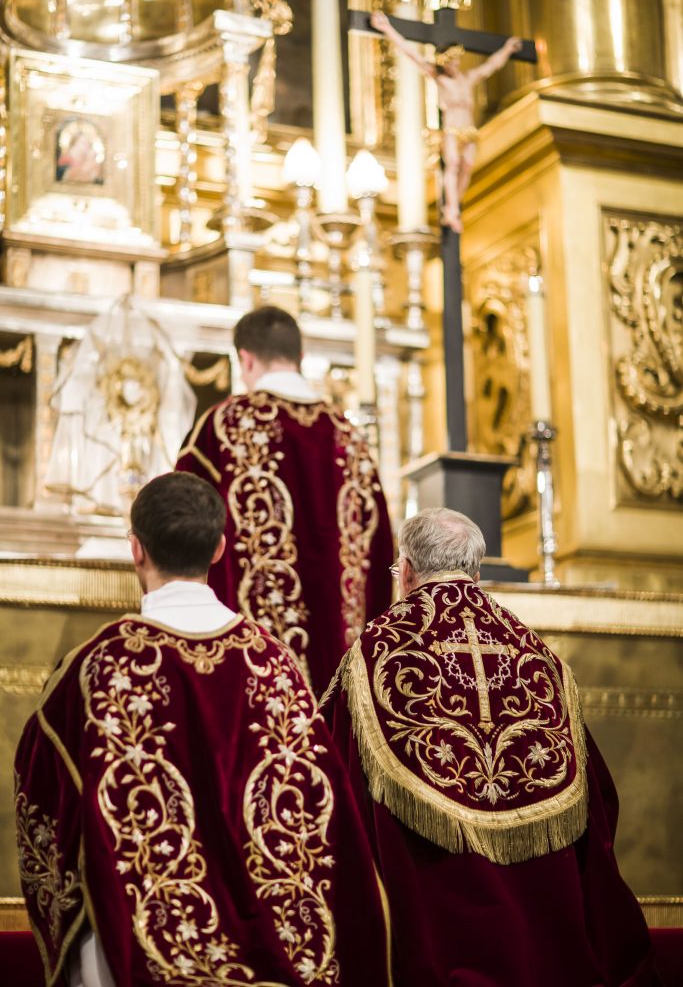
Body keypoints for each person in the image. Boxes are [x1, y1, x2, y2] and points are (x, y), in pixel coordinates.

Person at [14, 472, 392, 987]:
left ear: (135, 549)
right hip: (280, 960)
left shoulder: (95, 668)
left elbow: (42, 805)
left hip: (137, 956)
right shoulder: (276, 666)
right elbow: (327, 818)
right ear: (219, 548)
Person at [322, 507, 661, 987]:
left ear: (409, 572)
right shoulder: (540, 656)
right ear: (476, 573)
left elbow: (332, 791)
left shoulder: (376, 653)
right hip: (548, 957)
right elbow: (597, 805)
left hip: (434, 949)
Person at [176, 305, 393, 698]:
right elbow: (381, 555)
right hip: (346, 677)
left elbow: (179, 532)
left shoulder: (222, 426)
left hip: (254, 677)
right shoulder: (350, 438)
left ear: (244, 358)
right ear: (301, 358)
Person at [370, 10, 522, 233]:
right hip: (451, 130)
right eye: (450, 61)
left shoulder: (468, 79)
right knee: (452, 166)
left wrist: (507, 49)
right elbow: (410, 52)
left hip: (468, 130)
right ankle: (451, 208)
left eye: (457, 60)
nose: (455, 65)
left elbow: (492, 65)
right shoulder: (439, 77)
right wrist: (387, 29)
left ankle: (454, 206)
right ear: (444, 62)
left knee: (467, 167)